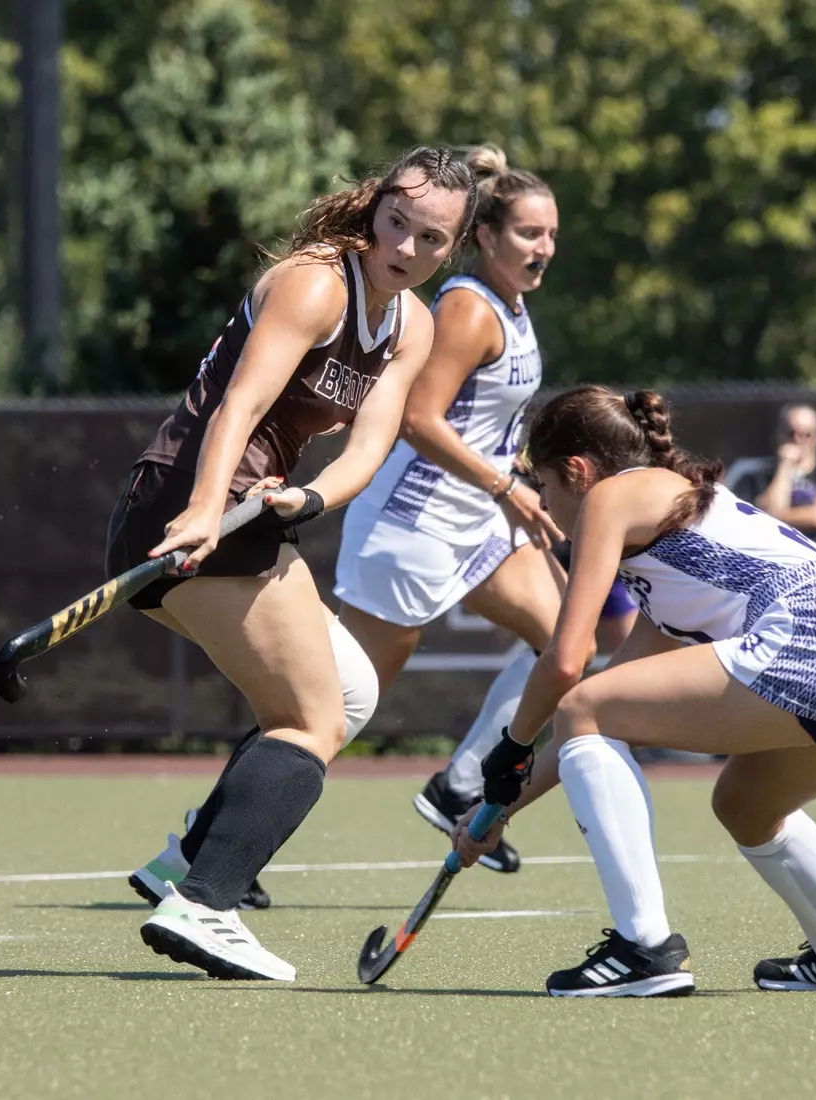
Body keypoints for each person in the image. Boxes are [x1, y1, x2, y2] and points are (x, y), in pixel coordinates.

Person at [107, 147, 477, 981]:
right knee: (312, 718)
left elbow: (370, 445)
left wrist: (310, 501)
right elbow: (237, 403)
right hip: (185, 499)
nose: (407, 249)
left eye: (430, 239)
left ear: (450, 249)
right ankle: (206, 904)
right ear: (375, 210)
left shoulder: (413, 324)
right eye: (397, 224)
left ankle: (186, 862)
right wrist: (204, 509)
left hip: (251, 510)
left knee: (350, 690)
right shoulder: (317, 284)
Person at [451, 385, 816, 997]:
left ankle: (644, 948)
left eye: (543, 485)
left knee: (583, 707)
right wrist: (499, 810)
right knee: (744, 806)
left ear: (577, 470)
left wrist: (508, 749)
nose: (544, 504)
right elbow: (598, 717)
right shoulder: (675, 541)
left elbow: (568, 663)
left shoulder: (612, 497)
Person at [331, 144, 564, 873]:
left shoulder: (514, 308)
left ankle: (461, 789)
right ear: (486, 237)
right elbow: (419, 420)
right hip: (413, 527)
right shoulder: (466, 307)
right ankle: (194, 848)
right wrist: (505, 487)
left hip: (475, 524)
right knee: (333, 706)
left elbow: (479, 423)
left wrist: (515, 474)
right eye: (528, 233)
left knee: (568, 649)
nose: (543, 248)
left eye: (551, 234)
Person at [730, 403, 816, 555]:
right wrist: (785, 465)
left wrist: (776, 515)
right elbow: (755, 517)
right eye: (791, 433)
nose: (798, 439)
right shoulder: (759, 475)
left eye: (806, 434)